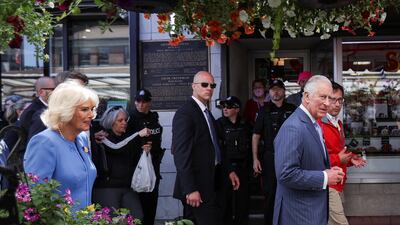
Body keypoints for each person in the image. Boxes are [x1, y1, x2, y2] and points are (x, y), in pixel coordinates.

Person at [273, 75, 345, 225]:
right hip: (299, 215)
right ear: (306, 97)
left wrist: (330, 170)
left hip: (310, 212)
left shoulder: (313, 123)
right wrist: (325, 177)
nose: (327, 103)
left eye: (329, 98)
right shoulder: (294, 127)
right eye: (323, 97)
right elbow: (286, 174)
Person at [172, 71, 240, 225]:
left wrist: (229, 170)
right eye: (204, 84)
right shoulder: (185, 113)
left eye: (212, 85)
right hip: (196, 188)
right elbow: (181, 154)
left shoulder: (206, 113)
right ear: (193, 86)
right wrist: (190, 189)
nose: (209, 88)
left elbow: (216, 146)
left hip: (212, 182)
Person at [24, 81, 99, 210]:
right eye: (85, 109)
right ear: (66, 110)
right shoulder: (45, 142)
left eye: (92, 109)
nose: (91, 115)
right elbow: (36, 196)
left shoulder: (82, 138)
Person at [318, 82, 367, 225]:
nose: (337, 104)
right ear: (325, 99)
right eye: (333, 99)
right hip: (327, 184)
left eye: (340, 100)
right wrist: (338, 158)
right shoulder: (319, 124)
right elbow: (314, 160)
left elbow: (337, 152)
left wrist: (350, 159)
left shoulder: (337, 123)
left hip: (338, 181)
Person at [92, 106, 151, 220]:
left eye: (125, 120)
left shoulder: (128, 138)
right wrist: (138, 135)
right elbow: (116, 147)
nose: (124, 123)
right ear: (111, 122)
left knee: (137, 217)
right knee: (111, 220)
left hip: (127, 186)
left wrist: (145, 152)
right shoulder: (103, 136)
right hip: (107, 188)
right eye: (120, 120)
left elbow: (134, 159)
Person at [251, 79, 296, 225]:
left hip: (291, 157)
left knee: (291, 192)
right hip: (271, 157)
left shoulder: (293, 109)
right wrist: (255, 159)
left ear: (284, 91)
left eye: (278, 89)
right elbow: (256, 135)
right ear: (268, 92)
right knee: (270, 193)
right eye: (272, 89)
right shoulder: (264, 110)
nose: (275, 92)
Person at [127, 89, 164, 225]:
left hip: (153, 168)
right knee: (137, 211)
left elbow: (158, 142)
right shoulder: (129, 119)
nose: (141, 105)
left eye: (144, 102)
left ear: (150, 102)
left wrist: (151, 149)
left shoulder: (154, 118)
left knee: (150, 208)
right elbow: (124, 142)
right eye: (138, 101)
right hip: (136, 170)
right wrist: (139, 147)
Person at [217, 96, 252, 225]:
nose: (225, 109)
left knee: (242, 203)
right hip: (225, 169)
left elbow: (252, 145)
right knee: (225, 203)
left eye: (229, 106)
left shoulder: (246, 124)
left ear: (237, 109)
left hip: (242, 167)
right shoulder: (219, 124)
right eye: (223, 106)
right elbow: (218, 149)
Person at [19, 76, 56, 141]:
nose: (57, 92)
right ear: (42, 92)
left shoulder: (42, 107)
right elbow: (35, 141)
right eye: (54, 89)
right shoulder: (35, 112)